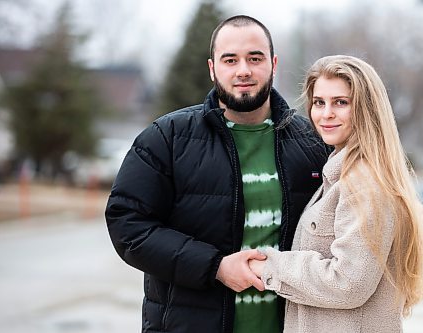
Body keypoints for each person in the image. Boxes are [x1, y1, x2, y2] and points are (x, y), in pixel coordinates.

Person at [104, 15, 330, 333]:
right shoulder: (167, 137)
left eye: (255, 58)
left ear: (273, 63)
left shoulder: (312, 143)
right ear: (212, 68)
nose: (243, 70)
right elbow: (127, 225)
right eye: (230, 59)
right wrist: (216, 267)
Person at [248, 55, 423, 333]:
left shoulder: (365, 183)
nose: (326, 114)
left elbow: (349, 283)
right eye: (319, 102)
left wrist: (269, 265)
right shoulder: (340, 176)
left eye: (341, 102)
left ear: (367, 110)